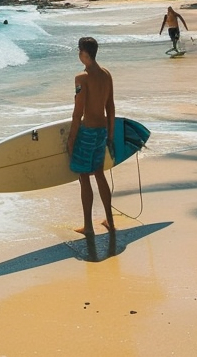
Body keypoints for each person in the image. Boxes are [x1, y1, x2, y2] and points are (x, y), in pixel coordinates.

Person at [69, 36, 115, 257]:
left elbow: (78, 112)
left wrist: (71, 139)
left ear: (84, 53)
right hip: (103, 130)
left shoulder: (82, 78)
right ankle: (110, 219)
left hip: (87, 132)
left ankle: (88, 226)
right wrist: (111, 134)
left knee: (84, 176)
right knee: (99, 173)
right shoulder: (106, 74)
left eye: (79, 50)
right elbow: (111, 106)